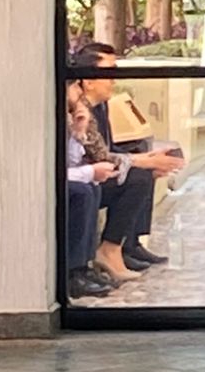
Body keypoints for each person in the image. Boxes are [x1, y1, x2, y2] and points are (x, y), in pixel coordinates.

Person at [75, 44, 185, 282]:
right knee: (139, 175)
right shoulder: (80, 108)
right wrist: (143, 162)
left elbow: (106, 149)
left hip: (97, 171)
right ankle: (110, 250)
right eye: (109, 71)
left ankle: (130, 244)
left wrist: (147, 159)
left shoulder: (100, 105)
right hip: (85, 175)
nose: (114, 79)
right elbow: (99, 156)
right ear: (88, 80)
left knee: (144, 167)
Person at [65, 84, 118, 299]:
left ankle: (84, 265)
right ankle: (72, 272)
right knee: (82, 192)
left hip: (72, 176)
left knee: (91, 189)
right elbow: (56, 170)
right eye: (74, 87)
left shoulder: (72, 115)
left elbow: (71, 161)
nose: (79, 93)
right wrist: (90, 172)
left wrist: (79, 131)